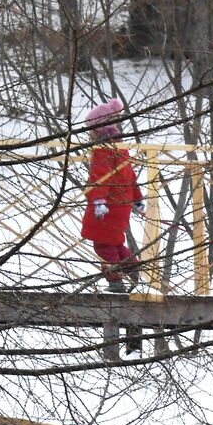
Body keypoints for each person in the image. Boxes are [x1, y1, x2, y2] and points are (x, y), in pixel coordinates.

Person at [81, 98, 144, 295]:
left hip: (106, 208)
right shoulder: (120, 148)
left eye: (90, 129)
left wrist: (99, 201)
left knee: (103, 247)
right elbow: (130, 176)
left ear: (98, 129)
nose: (88, 133)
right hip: (121, 206)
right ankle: (133, 269)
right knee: (115, 243)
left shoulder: (103, 150)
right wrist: (137, 198)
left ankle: (116, 282)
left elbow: (101, 177)